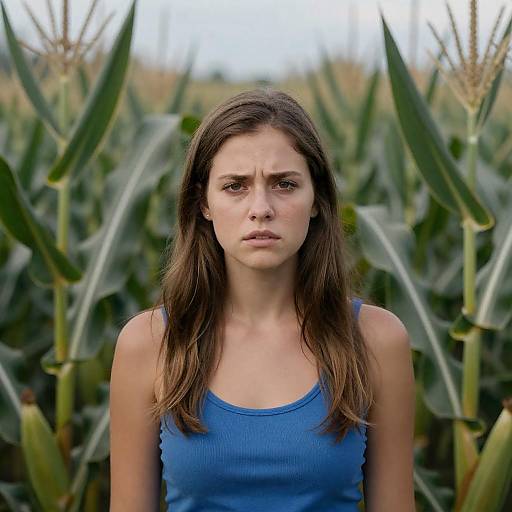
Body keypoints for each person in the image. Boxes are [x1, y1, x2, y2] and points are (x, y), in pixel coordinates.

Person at [109, 88, 416, 511]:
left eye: (284, 184)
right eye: (235, 186)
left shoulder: (377, 340)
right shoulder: (149, 343)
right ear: (204, 203)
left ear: (316, 200)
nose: (261, 208)